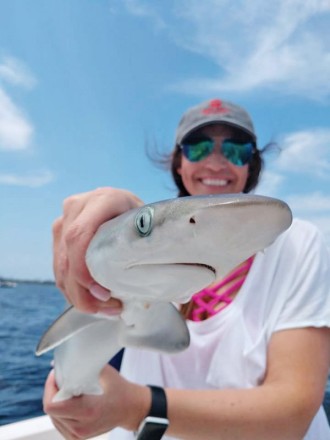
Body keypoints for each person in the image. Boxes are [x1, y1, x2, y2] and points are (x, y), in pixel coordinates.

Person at [43, 98, 330, 440]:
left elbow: (293, 413)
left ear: (251, 164)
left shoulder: (299, 243)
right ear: (179, 162)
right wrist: (128, 224)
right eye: (199, 147)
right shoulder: (128, 262)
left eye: (237, 150)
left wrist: (135, 407)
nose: (217, 161)